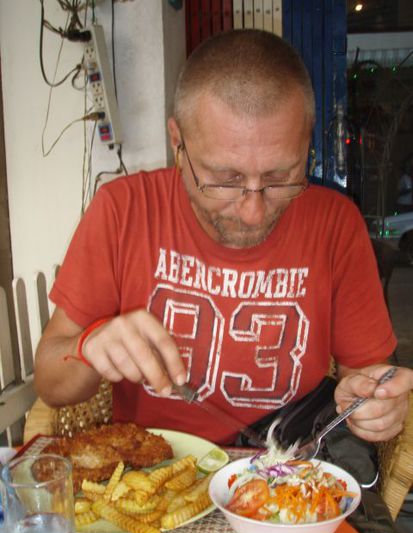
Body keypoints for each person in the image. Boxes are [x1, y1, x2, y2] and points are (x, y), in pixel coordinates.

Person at [35, 30, 413, 450]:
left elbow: (370, 378)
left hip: (285, 486)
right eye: (224, 180)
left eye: (280, 178)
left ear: (306, 148)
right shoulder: (122, 211)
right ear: (178, 144)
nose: (252, 212)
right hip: (156, 483)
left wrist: (376, 405)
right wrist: (91, 346)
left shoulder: (335, 223)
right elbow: (51, 381)